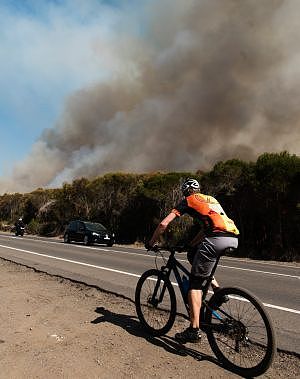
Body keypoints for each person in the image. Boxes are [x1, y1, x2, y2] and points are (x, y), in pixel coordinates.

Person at [147, 178, 239, 343]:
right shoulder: (210, 199)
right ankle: (217, 291)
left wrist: (151, 242)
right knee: (193, 256)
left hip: (216, 239)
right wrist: (190, 245)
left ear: (185, 191)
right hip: (232, 238)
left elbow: (163, 224)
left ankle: (194, 330)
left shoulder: (188, 201)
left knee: (194, 285)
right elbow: (206, 229)